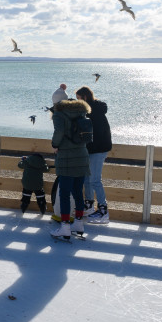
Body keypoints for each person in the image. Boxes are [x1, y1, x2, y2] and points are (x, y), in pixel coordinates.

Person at [49, 97, 91, 240]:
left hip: (66, 157)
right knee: (78, 191)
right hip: (82, 155)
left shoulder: (59, 114)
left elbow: (59, 132)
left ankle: (65, 226)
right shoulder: (81, 113)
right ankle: (78, 223)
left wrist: (54, 145)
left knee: (65, 193)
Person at [76, 86, 112, 224]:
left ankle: (103, 211)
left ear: (85, 97)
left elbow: (94, 133)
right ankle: (89, 205)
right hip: (92, 149)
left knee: (95, 180)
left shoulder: (93, 111)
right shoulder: (91, 110)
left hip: (99, 149)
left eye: (79, 99)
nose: (78, 102)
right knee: (87, 178)